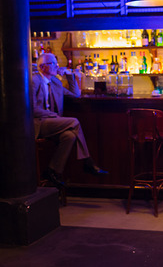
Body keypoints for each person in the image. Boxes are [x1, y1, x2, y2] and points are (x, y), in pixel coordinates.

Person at [33, 53, 108, 189]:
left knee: (70, 136)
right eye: (53, 64)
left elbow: (75, 94)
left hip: (52, 124)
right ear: (42, 67)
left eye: (57, 63)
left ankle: (52, 171)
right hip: (38, 124)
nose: (57, 66)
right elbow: (31, 109)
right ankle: (88, 162)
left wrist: (69, 75)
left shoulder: (55, 82)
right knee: (74, 121)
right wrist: (53, 116)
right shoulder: (34, 81)